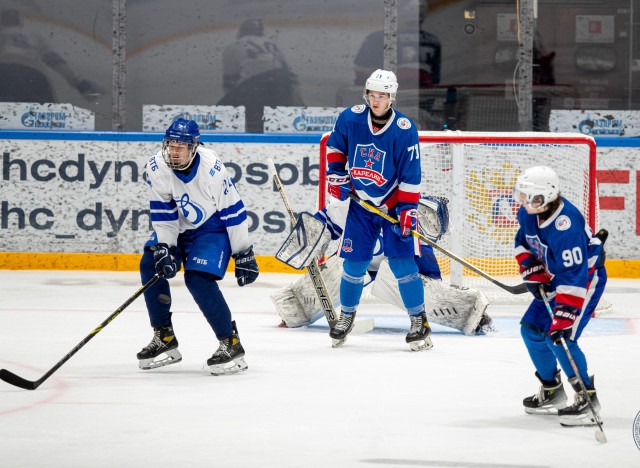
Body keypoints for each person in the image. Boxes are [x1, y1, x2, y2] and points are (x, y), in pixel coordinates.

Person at [137, 118, 259, 376]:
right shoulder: (156, 165)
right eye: (171, 144)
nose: (174, 150)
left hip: (211, 226)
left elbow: (233, 212)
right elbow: (163, 211)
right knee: (150, 264)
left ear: (194, 147)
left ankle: (230, 343)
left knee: (197, 279)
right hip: (179, 225)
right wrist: (166, 247)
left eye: (181, 146)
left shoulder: (212, 169)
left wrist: (243, 253)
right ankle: (164, 337)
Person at [271, 196, 492, 336]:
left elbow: (429, 277)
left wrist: (438, 294)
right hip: (357, 265)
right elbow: (322, 223)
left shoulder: (408, 217)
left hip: (394, 271)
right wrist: (308, 237)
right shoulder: (352, 205)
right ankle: (297, 306)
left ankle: (471, 314)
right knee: (348, 265)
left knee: (413, 283)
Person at [324, 68, 431, 351]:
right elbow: (336, 146)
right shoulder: (350, 118)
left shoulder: (404, 130)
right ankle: (346, 315)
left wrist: (408, 209)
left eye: (382, 95)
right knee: (354, 265)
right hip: (361, 205)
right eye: (372, 94)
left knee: (402, 264)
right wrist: (336, 175)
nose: (376, 100)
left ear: (391, 97)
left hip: (394, 205)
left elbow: (411, 173)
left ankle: (419, 319)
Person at [513, 166, 607, 427]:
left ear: (546, 197)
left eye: (528, 196)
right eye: (521, 194)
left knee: (561, 337)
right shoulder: (529, 213)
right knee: (531, 330)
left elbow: (574, 276)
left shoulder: (567, 227)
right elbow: (523, 242)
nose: (522, 201)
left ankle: (588, 400)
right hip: (558, 280)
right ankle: (552, 392)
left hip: (584, 282)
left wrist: (564, 316)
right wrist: (532, 270)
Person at [217, 18, 304, 132]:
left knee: (220, 112)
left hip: (254, 86)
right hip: (281, 82)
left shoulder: (233, 47)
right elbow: (289, 75)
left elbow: (230, 81)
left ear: (241, 32)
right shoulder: (272, 44)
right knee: (279, 122)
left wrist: (231, 106)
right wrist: (300, 105)